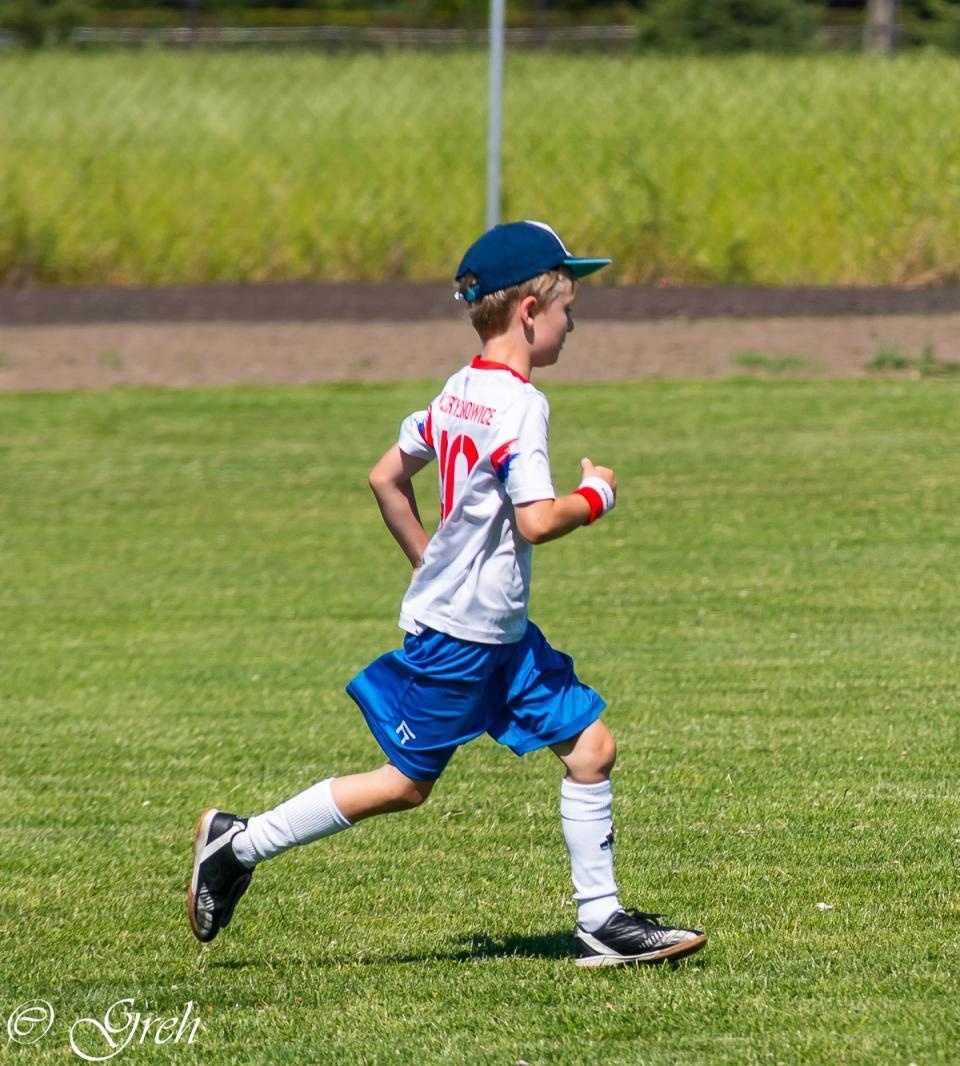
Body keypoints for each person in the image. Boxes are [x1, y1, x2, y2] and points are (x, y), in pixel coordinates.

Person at [187, 220, 706, 967]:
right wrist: (598, 495)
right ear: (531, 312)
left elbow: (386, 477)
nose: (573, 324)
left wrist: (429, 564)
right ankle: (238, 846)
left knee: (592, 748)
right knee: (404, 785)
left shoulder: (459, 391)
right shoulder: (522, 406)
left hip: (497, 635)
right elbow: (534, 518)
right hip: (464, 640)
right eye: (569, 308)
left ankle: (602, 922)